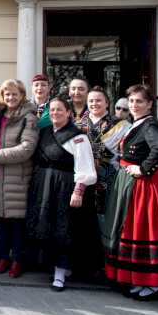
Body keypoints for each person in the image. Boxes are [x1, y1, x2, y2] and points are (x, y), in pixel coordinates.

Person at [102, 84, 158, 301]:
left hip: (146, 185)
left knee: (144, 231)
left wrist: (143, 168)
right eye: (131, 101)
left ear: (149, 104)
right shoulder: (136, 123)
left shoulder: (150, 125)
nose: (134, 105)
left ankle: (153, 284)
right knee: (132, 230)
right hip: (134, 182)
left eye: (139, 101)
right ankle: (139, 279)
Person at [25, 97, 97, 291]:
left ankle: (60, 273)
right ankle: (51, 266)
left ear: (68, 113)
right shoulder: (44, 132)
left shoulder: (78, 137)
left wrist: (78, 191)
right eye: (53, 110)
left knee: (63, 229)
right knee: (45, 226)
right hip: (43, 186)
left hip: (64, 187)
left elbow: (86, 167)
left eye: (59, 110)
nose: (55, 113)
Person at [0, 79, 38, 279]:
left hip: (17, 177)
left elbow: (27, 148)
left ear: (22, 95)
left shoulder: (28, 117)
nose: (10, 97)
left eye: (15, 94)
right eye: (7, 94)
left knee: (16, 222)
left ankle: (17, 260)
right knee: (1, 222)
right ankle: (2, 257)